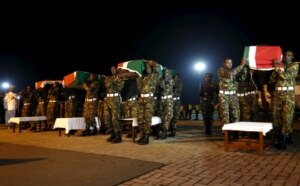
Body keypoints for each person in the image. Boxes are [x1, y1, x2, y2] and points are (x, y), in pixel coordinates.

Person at [269, 50, 299, 150]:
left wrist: (277, 67)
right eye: (285, 55)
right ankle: (278, 137)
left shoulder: (294, 65)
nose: (286, 57)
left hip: (288, 96)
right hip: (278, 95)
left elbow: (286, 77)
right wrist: (275, 69)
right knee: (276, 116)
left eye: (289, 55)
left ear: (292, 57)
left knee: (287, 117)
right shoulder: (280, 67)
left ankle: (284, 139)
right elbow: (272, 80)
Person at [218, 58, 246, 138]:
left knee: (236, 115)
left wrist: (244, 70)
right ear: (224, 63)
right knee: (225, 116)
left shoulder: (235, 71)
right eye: (228, 63)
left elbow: (241, 78)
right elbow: (230, 74)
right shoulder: (221, 70)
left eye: (231, 63)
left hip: (233, 95)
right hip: (224, 96)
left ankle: (235, 134)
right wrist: (241, 65)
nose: (230, 64)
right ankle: (227, 135)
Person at [136, 62, 160, 145]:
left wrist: (152, 63)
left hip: (149, 99)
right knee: (140, 119)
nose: (147, 68)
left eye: (149, 67)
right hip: (141, 99)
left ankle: (146, 137)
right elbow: (139, 88)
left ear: (152, 68)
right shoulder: (143, 78)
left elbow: (157, 71)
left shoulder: (154, 76)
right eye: (146, 67)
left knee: (147, 119)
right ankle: (142, 135)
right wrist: (138, 79)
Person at [104, 66, 125, 143]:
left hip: (115, 99)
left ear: (117, 69)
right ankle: (112, 134)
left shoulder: (120, 78)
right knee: (108, 118)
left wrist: (114, 81)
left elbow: (119, 88)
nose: (112, 70)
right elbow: (107, 85)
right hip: (108, 99)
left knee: (115, 118)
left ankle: (118, 136)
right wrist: (113, 81)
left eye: (113, 69)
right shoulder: (109, 78)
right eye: (111, 69)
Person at [158, 68, 174, 139]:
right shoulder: (162, 79)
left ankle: (165, 132)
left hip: (168, 100)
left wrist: (161, 82)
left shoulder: (171, 80)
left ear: (169, 73)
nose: (165, 73)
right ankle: (161, 131)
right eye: (164, 72)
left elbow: (164, 87)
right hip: (162, 100)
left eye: (167, 72)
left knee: (167, 116)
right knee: (161, 116)